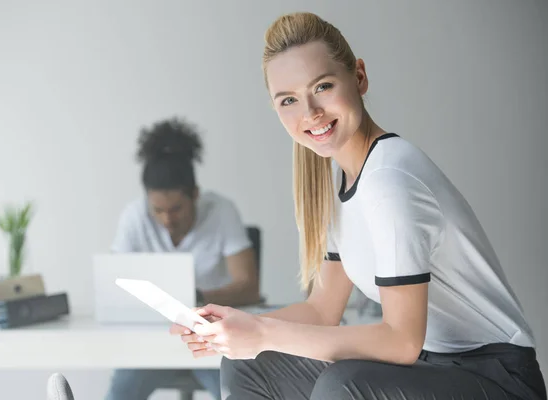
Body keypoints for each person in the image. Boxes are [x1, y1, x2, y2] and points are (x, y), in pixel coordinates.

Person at [170, 12, 547, 400]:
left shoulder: (391, 179)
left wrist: (264, 333)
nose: (310, 113)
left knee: (343, 386)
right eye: (289, 100)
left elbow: (401, 341)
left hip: (497, 378)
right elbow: (322, 311)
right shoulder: (341, 180)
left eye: (324, 86)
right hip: (431, 368)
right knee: (249, 364)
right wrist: (236, 325)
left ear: (360, 78)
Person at [105, 117, 261, 400]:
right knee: (120, 392)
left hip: (210, 339)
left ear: (195, 195)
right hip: (150, 343)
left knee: (235, 392)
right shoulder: (133, 216)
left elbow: (248, 285)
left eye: (176, 208)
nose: (167, 219)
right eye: (158, 210)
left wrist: (199, 299)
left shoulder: (221, 211)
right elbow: (114, 286)